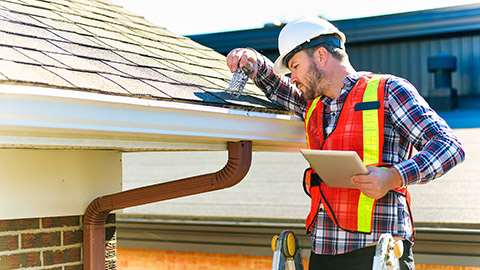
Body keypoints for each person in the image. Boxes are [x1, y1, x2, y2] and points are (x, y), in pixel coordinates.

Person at [226, 17, 465, 270]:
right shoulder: (313, 105)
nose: (292, 77)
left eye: (295, 66)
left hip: (378, 253)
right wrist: (251, 59)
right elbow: (276, 85)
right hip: (323, 251)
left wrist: (393, 177)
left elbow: (448, 146)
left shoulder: (389, 91)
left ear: (320, 56)